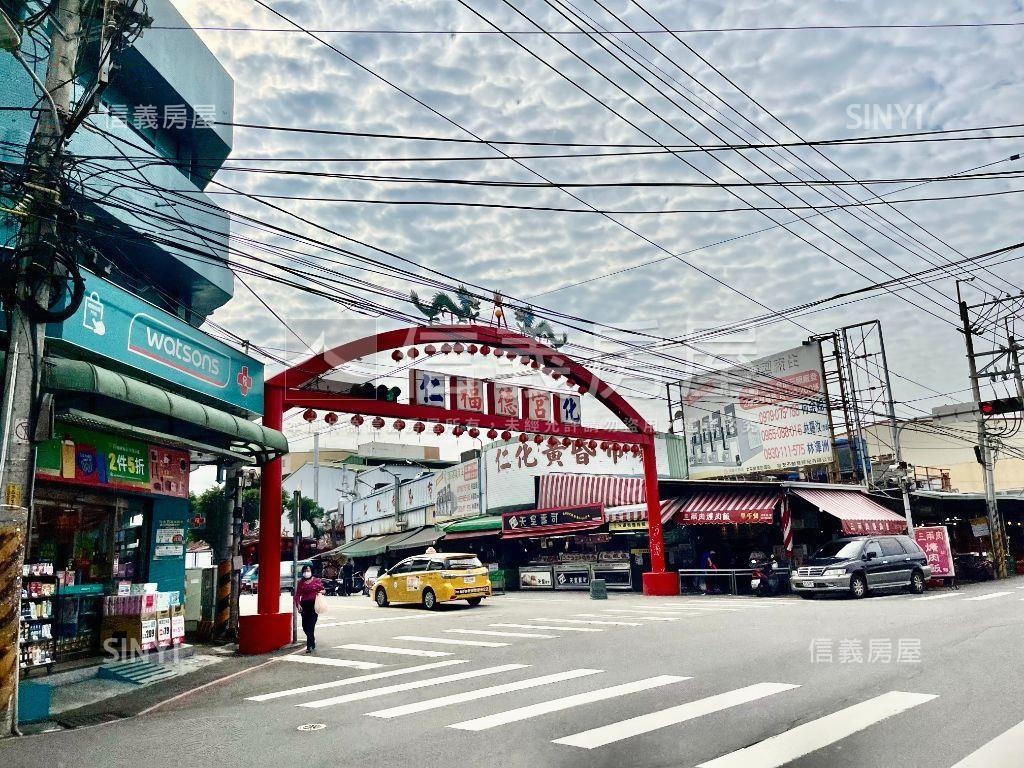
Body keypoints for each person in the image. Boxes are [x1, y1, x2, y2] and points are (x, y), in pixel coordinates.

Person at [295, 565, 324, 653]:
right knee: (305, 627)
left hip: (313, 605)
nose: (306, 572)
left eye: (308, 570)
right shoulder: (301, 582)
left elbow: (323, 590)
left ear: (311, 571)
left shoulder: (316, 580)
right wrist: (298, 604)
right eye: (304, 571)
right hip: (304, 605)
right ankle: (312, 640)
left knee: (311, 626)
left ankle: (309, 646)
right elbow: (297, 595)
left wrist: (320, 591)